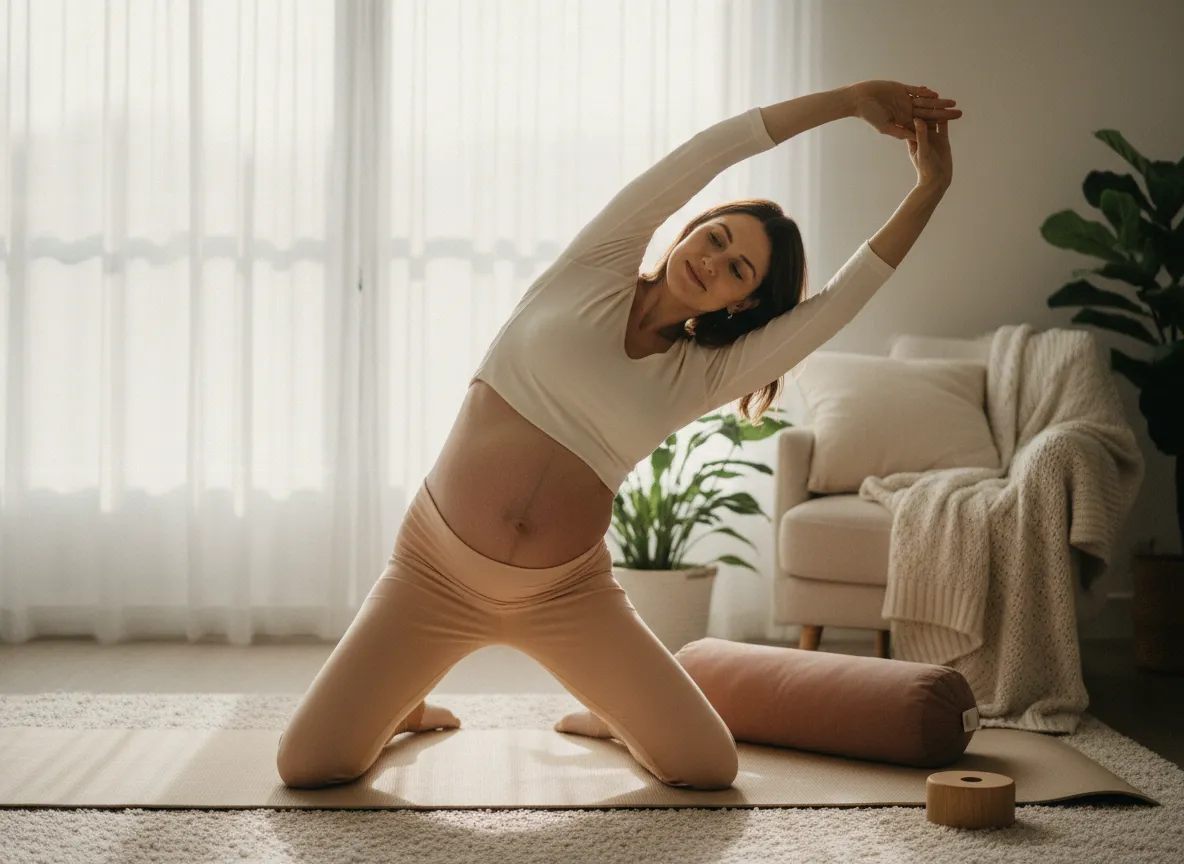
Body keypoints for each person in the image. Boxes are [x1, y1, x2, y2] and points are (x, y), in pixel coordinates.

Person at [276, 80, 961, 791]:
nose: (713, 261)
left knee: (707, 767)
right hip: (433, 570)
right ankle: (402, 707)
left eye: (738, 269)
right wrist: (850, 100)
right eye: (716, 237)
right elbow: (710, 151)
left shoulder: (705, 374)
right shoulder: (594, 265)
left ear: (746, 301)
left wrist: (930, 189)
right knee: (309, 764)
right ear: (691, 229)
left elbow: (840, 303)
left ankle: (612, 716)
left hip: (565, 595)